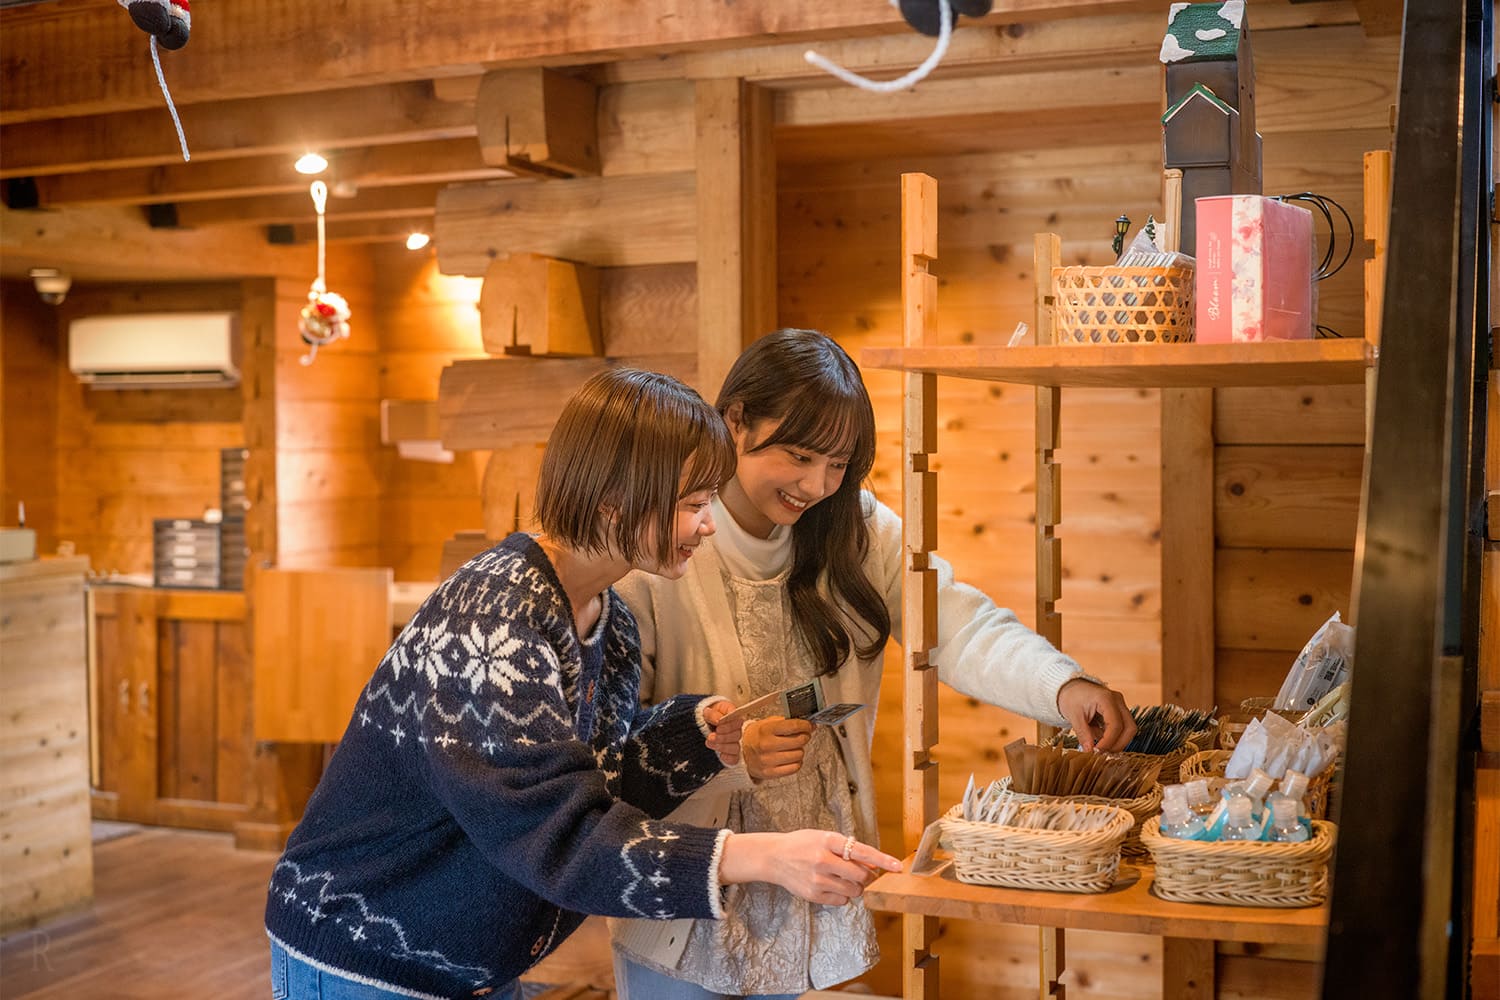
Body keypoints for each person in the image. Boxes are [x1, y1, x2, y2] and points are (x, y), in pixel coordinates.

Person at [263, 368, 902, 1000]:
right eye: (692, 505)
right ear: (613, 502)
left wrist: (699, 738)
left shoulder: (608, 620)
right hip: (362, 960)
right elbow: (561, 835)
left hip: (466, 963)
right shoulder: (495, 618)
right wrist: (765, 857)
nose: (708, 525)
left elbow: (598, 778)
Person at [609, 329, 1138, 999]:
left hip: (814, 880)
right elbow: (615, 743)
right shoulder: (671, 542)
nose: (817, 485)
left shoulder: (856, 527)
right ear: (735, 419)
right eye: (799, 456)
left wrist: (1061, 687)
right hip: (687, 893)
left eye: (837, 464)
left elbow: (956, 621)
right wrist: (726, 748)